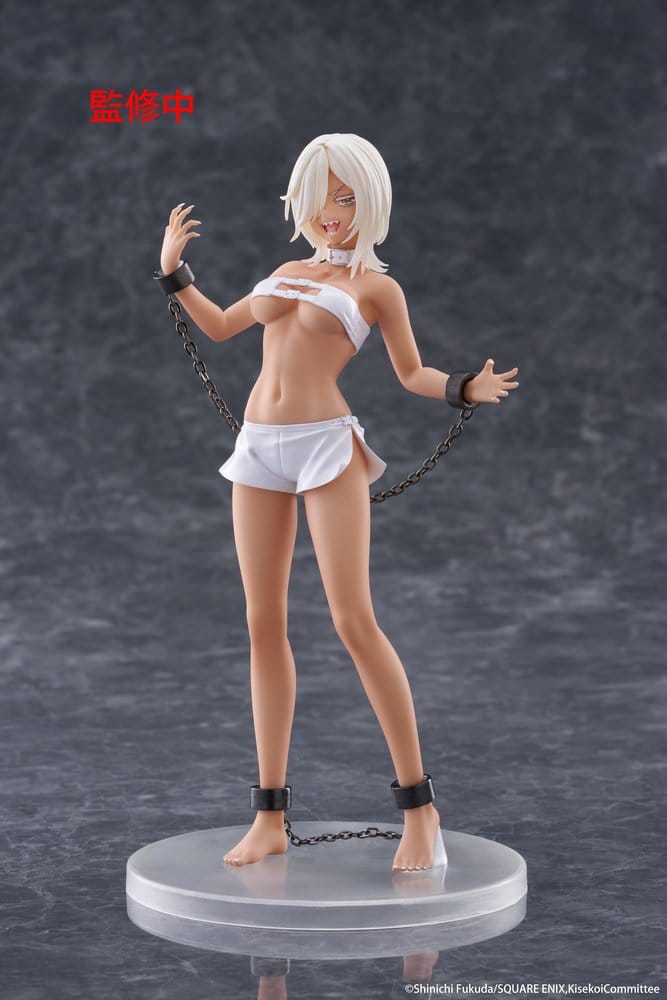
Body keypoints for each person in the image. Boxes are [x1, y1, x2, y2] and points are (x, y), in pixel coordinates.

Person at [155, 133, 520, 872]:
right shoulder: (286, 271)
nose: (331, 212)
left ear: (370, 202)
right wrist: (174, 274)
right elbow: (222, 326)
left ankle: (419, 808)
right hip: (259, 446)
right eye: (320, 197)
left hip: (326, 448)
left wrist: (463, 387)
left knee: (353, 621)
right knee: (262, 623)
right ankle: (268, 816)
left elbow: (410, 372)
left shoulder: (377, 288)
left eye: (346, 198)